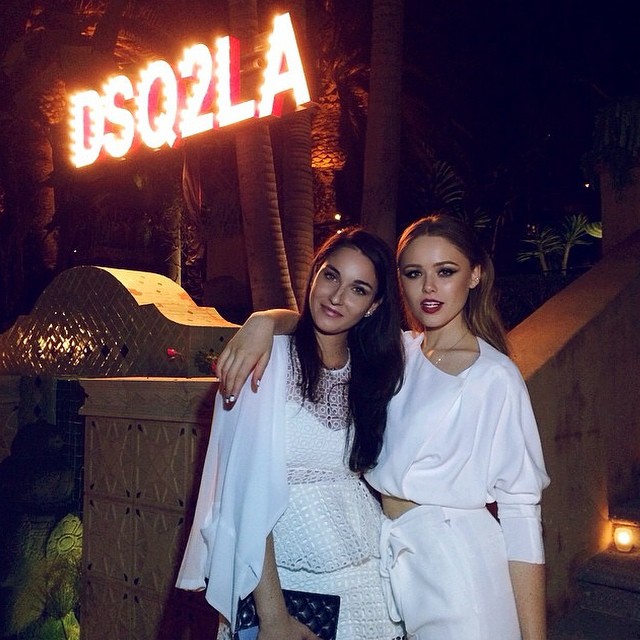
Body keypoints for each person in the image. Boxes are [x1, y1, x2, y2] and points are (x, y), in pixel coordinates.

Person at [215, 213, 550, 640]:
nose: (429, 288)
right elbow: (328, 323)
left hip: (458, 564)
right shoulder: (396, 355)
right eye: (414, 273)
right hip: (391, 560)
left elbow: (521, 512)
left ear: (475, 275)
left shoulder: (495, 376)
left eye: (445, 271)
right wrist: (264, 320)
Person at [176, 228, 406, 640]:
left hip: (367, 581)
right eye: (331, 276)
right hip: (283, 585)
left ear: (374, 306)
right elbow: (244, 491)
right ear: (315, 274)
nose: (337, 297)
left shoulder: (374, 370)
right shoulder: (267, 359)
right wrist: (273, 617)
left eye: (358, 289)